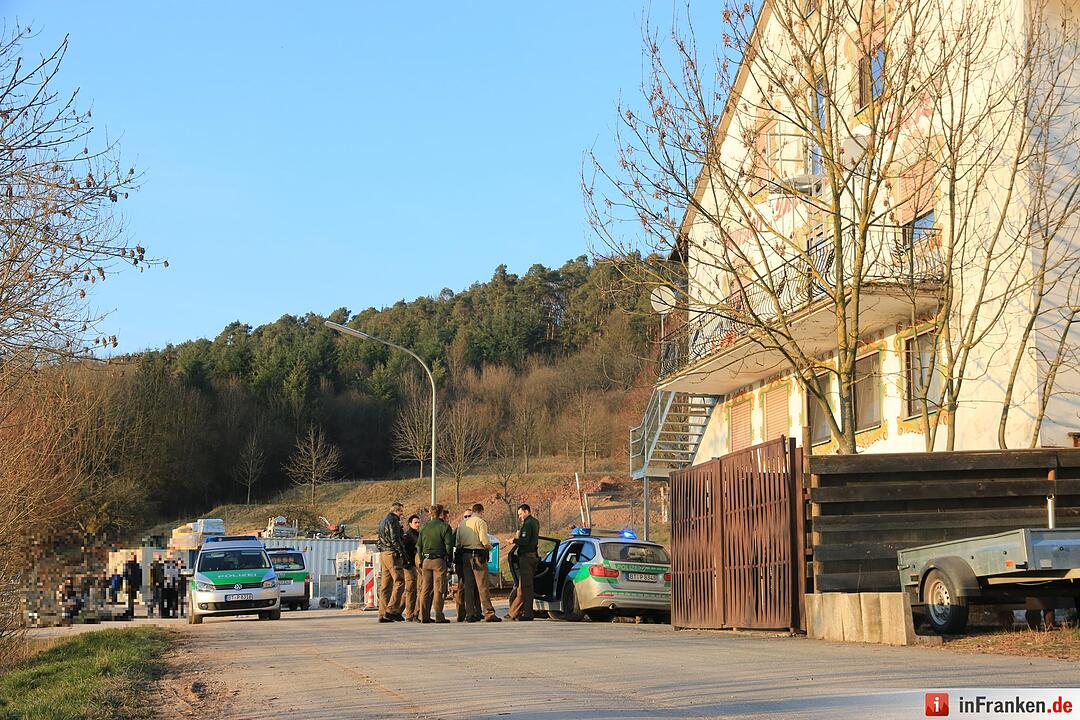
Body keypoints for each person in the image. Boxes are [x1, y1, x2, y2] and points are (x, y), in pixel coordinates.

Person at [458, 503, 500, 622]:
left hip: (465, 556)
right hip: (478, 556)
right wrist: (490, 547)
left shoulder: (462, 524)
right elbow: (484, 540)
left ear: (472, 511)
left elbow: (458, 542)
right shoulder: (481, 522)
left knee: (469, 586)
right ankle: (489, 613)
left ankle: (470, 613)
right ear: (481, 511)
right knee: (482, 586)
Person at [416, 504, 454, 623]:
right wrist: (449, 560)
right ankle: (439, 615)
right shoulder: (445, 527)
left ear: (430, 514)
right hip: (439, 561)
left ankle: (424, 616)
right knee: (439, 588)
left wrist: (422, 560)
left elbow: (419, 546)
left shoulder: (424, 527)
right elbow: (449, 546)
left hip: (426, 561)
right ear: (441, 513)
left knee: (425, 589)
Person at [506, 503, 540, 621]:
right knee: (522, 587)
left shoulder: (528, 523)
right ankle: (513, 613)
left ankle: (528, 613)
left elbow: (525, 541)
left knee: (526, 587)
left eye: (521, 514)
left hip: (526, 557)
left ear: (526, 511)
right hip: (533, 556)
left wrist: (514, 540)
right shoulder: (535, 522)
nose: (520, 517)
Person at [376, 502, 408, 623]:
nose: (402, 513)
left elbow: (379, 540)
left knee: (385, 584)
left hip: (383, 554)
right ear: (397, 510)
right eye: (401, 511)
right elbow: (395, 539)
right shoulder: (393, 520)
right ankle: (391, 611)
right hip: (391, 553)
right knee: (399, 581)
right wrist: (402, 554)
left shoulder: (383, 520)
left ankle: (382, 613)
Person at [454, 509, 480, 622]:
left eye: (469, 515)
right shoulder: (460, 528)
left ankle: (477, 611)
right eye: (465, 516)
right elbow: (455, 544)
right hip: (462, 561)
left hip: (473, 559)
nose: (467, 518)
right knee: (462, 587)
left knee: (476, 587)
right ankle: (461, 613)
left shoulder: (476, 526)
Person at [402, 514, 421, 622]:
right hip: (409, 566)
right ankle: (410, 615)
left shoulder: (416, 534)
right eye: (415, 522)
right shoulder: (409, 535)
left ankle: (412, 613)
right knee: (411, 590)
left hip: (414, 565)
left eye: (418, 522)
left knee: (413, 590)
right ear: (410, 524)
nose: (418, 524)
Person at [122, 554, 142, 618]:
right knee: (130, 599)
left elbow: (139, 575)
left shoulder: (136, 565)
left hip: (133, 584)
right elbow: (125, 575)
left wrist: (139, 584)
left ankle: (131, 612)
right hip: (130, 584)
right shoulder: (129, 565)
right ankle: (130, 612)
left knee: (131, 599)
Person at [149, 553, 165, 619]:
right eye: (158, 556)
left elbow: (163, 574)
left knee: (161, 599)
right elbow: (152, 575)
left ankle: (161, 613)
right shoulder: (154, 565)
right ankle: (151, 611)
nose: (160, 557)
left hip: (161, 584)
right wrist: (155, 582)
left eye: (160, 556)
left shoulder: (161, 565)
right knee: (155, 599)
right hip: (156, 584)